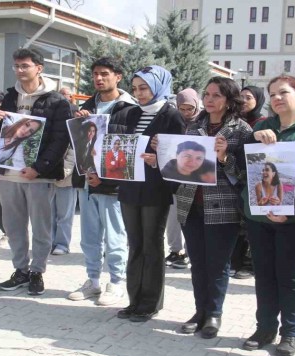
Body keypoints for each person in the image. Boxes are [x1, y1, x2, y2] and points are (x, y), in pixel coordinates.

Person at [240, 75, 295, 356]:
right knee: (264, 274)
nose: (277, 98)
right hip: (260, 216)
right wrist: (252, 139)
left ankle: (291, 332)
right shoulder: (262, 127)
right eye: (273, 94)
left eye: (284, 92)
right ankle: (265, 328)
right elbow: (239, 159)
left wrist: (287, 210)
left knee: (291, 276)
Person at [0, 47, 72, 296]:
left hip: (38, 176)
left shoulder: (57, 101)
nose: (19, 70)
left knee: (41, 227)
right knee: (13, 226)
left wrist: (39, 168)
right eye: (16, 66)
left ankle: (37, 271)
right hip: (8, 174)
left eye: (25, 65)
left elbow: (60, 140)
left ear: (39, 68)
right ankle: (20, 270)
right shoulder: (9, 97)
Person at [174, 77, 252, 338]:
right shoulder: (194, 125)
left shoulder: (241, 130)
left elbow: (245, 175)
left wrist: (224, 157)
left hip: (222, 207)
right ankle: (200, 312)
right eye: (206, 94)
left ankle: (214, 314)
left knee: (217, 264)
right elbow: (182, 163)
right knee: (197, 263)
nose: (209, 99)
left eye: (216, 95)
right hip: (190, 204)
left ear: (229, 100)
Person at [111, 65, 186, 322]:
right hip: (130, 188)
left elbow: (179, 159)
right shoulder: (131, 113)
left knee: (152, 245)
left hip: (155, 190)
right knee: (135, 245)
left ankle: (150, 303)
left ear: (158, 86)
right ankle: (134, 300)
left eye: (144, 88)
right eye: (135, 89)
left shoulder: (172, 116)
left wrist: (159, 158)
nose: (139, 93)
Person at [67, 56, 134, 306]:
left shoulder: (129, 109)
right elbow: (76, 145)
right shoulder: (85, 107)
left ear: (118, 76)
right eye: (95, 73)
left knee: (115, 236)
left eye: (105, 73)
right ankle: (93, 280)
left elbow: (127, 151)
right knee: (89, 236)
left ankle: (116, 282)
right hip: (86, 181)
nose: (99, 78)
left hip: (112, 186)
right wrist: (79, 121)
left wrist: (103, 179)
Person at [229, 85, 266, 280]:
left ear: (258, 100)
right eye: (241, 96)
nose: (243, 100)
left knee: (250, 225)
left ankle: (249, 263)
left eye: (249, 97)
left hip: (254, 179)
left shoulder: (263, 123)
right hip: (234, 178)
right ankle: (235, 261)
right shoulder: (233, 122)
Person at [164, 88, 200, 270]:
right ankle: (175, 250)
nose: (186, 113)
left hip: (194, 180)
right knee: (173, 217)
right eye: (182, 109)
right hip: (174, 178)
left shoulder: (202, 123)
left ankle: (190, 251)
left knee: (190, 219)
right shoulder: (171, 121)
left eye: (190, 108)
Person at [50, 147, 77, 255]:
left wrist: (61, 172)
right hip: (47, 179)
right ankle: (49, 242)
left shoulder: (72, 136)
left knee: (65, 215)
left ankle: (62, 245)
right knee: (48, 215)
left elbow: (73, 156)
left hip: (66, 180)